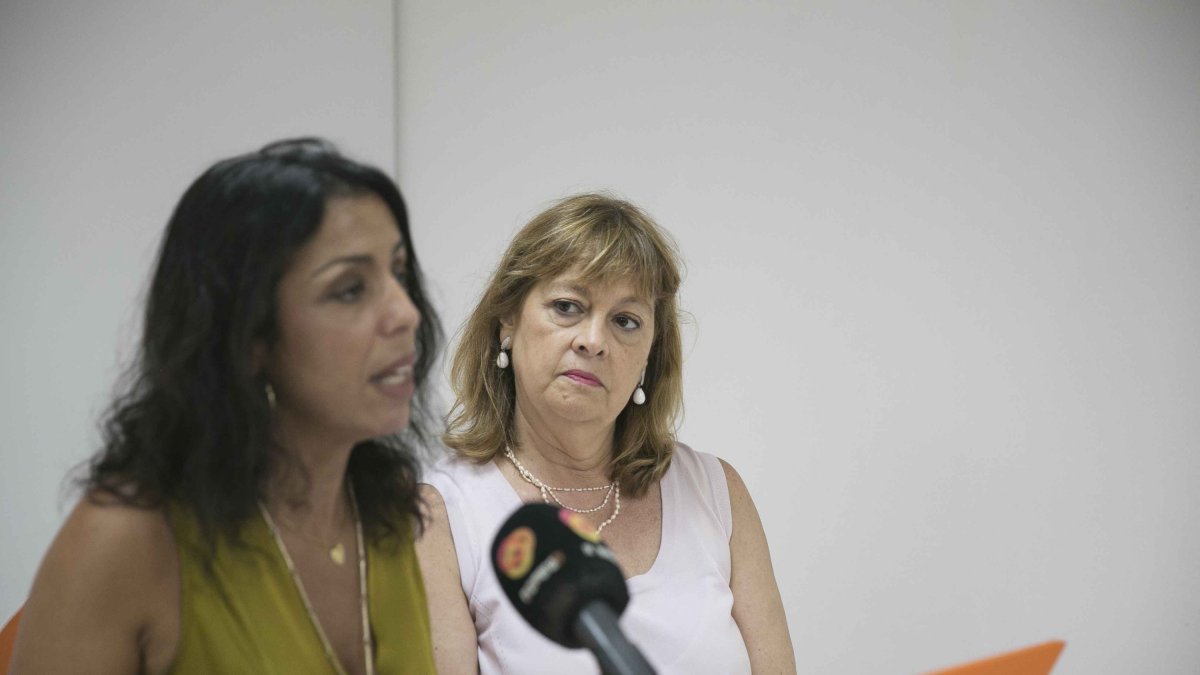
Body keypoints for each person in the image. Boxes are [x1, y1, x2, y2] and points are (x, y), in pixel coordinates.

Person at [10, 139, 441, 674]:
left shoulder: (386, 507)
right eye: (351, 289)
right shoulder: (126, 539)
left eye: (398, 275)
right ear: (247, 336)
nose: (406, 313)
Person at [416, 193, 796, 674]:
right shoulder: (443, 516)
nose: (594, 341)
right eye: (568, 306)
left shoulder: (716, 492)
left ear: (649, 356)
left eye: (625, 321)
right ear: (506, 322)